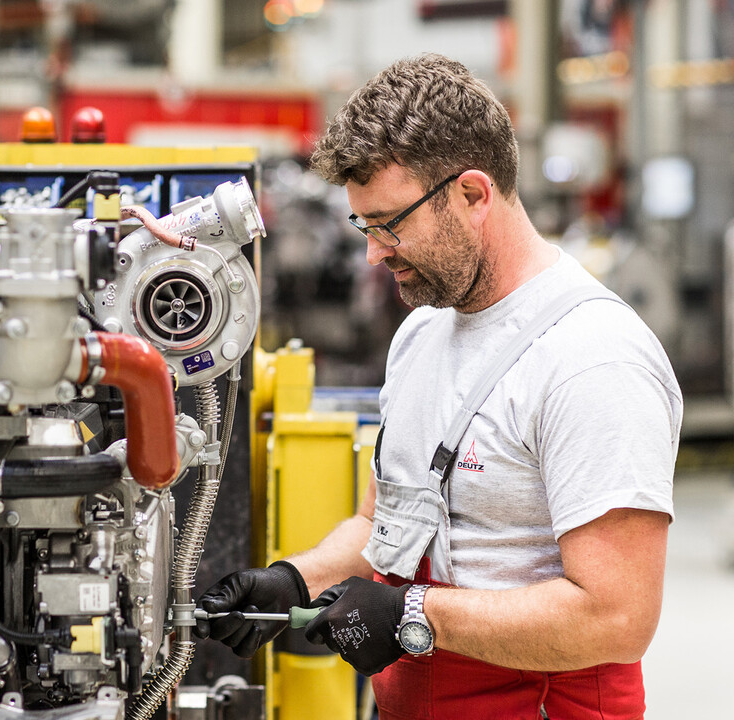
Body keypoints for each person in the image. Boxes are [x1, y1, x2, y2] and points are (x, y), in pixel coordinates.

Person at [195, 54, 681, 719]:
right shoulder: (424, 335)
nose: (374, 252)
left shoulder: (592, 359)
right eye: (363, 226)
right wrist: (294, 580)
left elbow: (616, 617)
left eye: (390, 223)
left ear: (474, 195)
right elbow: (385, 523)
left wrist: (411, 612)